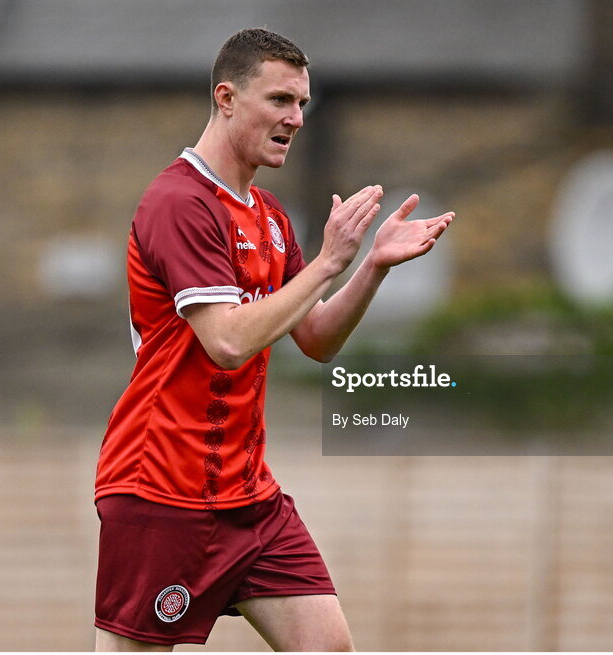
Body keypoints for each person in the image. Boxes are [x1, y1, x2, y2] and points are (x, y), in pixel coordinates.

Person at [92, 27, 453, 651]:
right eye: (281, 101)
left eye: (303, 104)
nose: (298, 118)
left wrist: (370, 265)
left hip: (247, 497)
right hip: (161, 489)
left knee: (328, 646)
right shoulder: (179, 202)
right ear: (227, 98)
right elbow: (227, 343)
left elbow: (315, 339)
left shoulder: (270, 216)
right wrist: (329, 262)